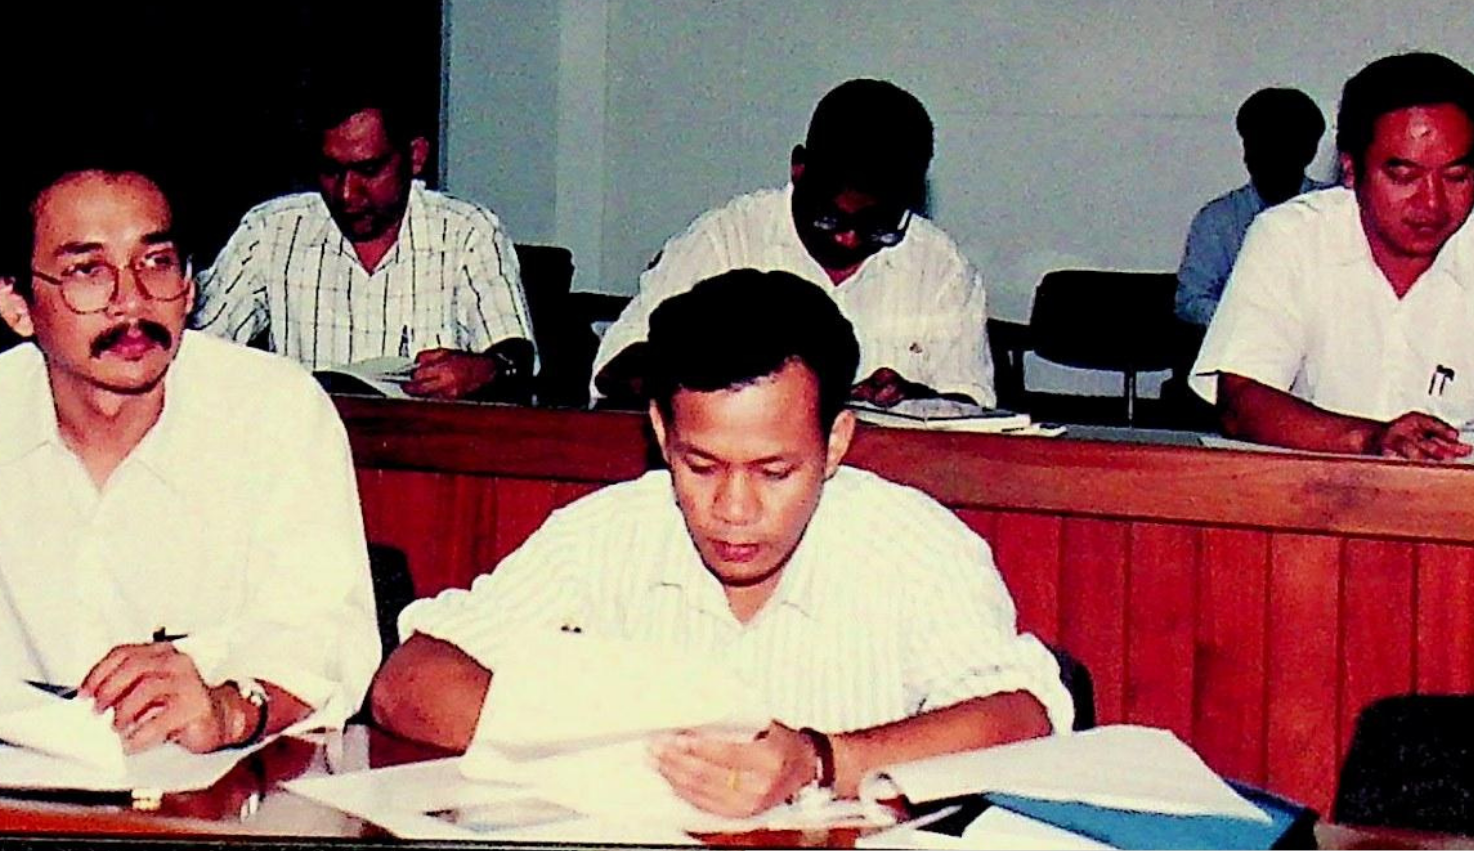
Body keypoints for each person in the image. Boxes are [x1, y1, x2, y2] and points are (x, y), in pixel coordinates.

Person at [371, 269, 1069, 818]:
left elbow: (1021, 716)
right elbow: (410, 682)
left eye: (774, 471)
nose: (733, 510)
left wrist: (819, 761)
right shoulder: (605, 532)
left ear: (835, 442)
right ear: (660, 432)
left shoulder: (914, 546)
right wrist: (619, 744)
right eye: (700, 466)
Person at [0, 147, 380, 754]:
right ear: (16, 305)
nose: (132, 300)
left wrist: (230, 708)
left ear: (190, 286)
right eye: (88, 271)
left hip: (227, 779)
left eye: (157, 263)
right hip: (16, 783)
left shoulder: (275, 410)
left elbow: (327, 641)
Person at [1192, 52, 1474, 460]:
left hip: (1461, 497)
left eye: (1457, 176)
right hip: (1310, 489)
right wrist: (1370, 440)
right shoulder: (1291, 237)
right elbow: (1241, 401)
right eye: (1404, 176)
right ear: (1350, 169)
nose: (1432, 203)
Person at [592, 79, 993, 410]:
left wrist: (917, 399)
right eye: (829, 218)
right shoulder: (725, 240)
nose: (849, 238)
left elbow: (974, 410)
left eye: (878, 227)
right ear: (799, 169)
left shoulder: (941, 269)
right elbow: (614, 373)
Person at [193, 82, 535, 400]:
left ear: (416, 156)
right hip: (302, 436)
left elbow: (517, 356)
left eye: (369, 171)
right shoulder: (271, 231)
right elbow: (196, 348)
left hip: (424, 439)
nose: (346, 193)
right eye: (331, 171)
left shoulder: (467, 232)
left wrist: (486, 369)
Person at [1175, 87, 1327, 327]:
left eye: (1283, 144)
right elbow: (1191, 299)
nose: (1270, 155)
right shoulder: (1218, 220)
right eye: (1259, 143)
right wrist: (1250, 323)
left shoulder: (1337, 211)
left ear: (1309, 152)